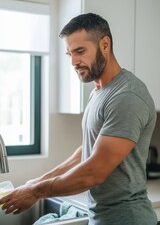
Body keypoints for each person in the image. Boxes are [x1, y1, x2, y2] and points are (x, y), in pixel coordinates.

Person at [0, 13, 158, 225]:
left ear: (105, 44)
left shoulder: (126, 96)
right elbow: (87, 151)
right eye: (69, 54)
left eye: (80, 51)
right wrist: (36, 181)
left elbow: (94, 172)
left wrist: (36, 192)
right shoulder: (99, 92)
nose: (74, 62)